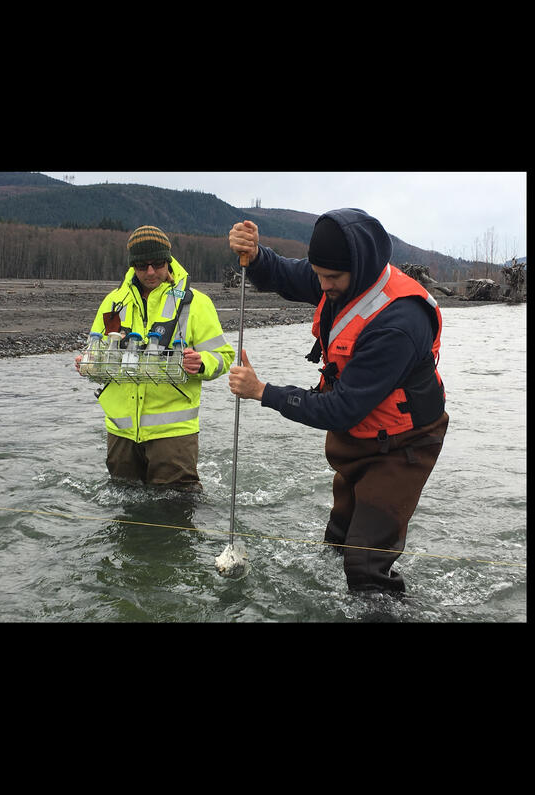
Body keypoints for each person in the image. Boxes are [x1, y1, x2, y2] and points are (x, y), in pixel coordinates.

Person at [226, 210, 449, 594]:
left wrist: (263, 391)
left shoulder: (400, 322)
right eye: (319, 275)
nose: (322, 284)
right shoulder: (337, 276)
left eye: (331, 278)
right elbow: (282, 274)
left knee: (364, 565)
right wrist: (256, 254)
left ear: (358, 270)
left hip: (404, 445)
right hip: (360, 435)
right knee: (338, 539)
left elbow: (342, 408)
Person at [75, 225, 234, 492]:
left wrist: (202, 362)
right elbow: (99, 350)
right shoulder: (113, 302)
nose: (150, 272)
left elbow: (224, 357)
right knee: (124, 506)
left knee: (175, 511)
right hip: (120, 432)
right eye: (141, 265)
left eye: (157, 264)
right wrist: (88, 362)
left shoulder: (196, 303)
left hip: (173, 435)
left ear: (168, 261)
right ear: (132, 266)